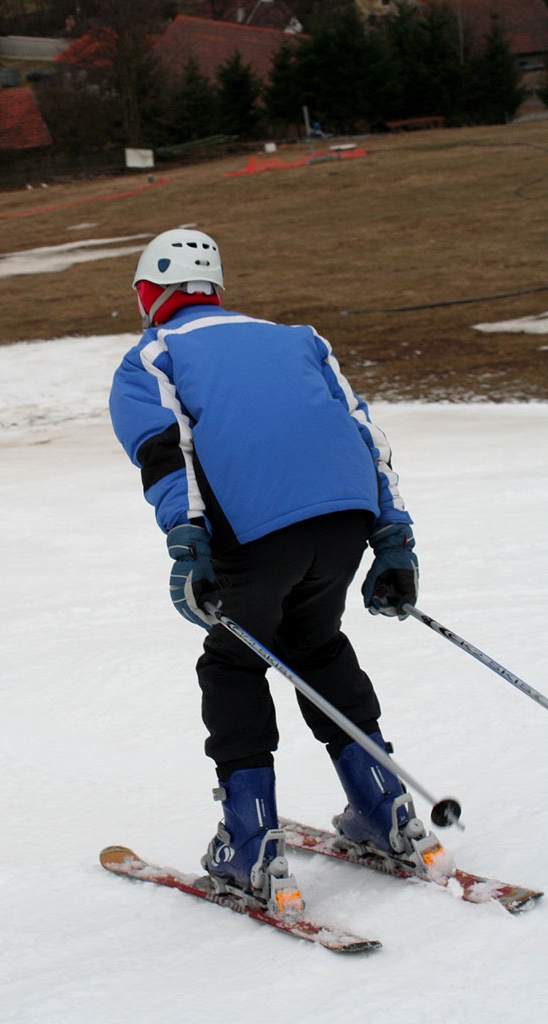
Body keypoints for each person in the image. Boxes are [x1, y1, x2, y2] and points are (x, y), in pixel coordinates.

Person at [109, 228, 444, 912]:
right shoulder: (301, 339)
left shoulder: (152, 356)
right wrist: (393, 538)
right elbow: (363, 435)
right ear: (216, 289)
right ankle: (383, 809)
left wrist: (188, 544)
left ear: (148, 294)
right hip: (344, 521)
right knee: (315, 643)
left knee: (233, 662)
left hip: (255, 535)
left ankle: (248, 840)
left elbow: (165, 457)